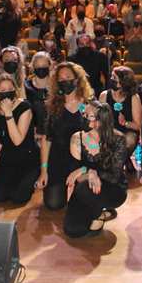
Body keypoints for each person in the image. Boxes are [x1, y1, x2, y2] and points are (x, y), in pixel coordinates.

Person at [63, 101, 129, 238]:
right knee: (72, 230)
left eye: (88, 116)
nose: (83, 117)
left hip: (113, 188)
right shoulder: (77, 138)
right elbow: (75, 175)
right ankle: (100, 213)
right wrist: (88, 173)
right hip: (84, 189)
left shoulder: (118, 139)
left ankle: (99, 213)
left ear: (100, 121)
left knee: (84, 188)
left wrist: (90, 171)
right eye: (83, 114)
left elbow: (114, 176)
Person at [38, 62, 93, 211]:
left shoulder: (89, 104)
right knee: (53, 204)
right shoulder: (51, 106)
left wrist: (89, 168)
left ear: (77, 79)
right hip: (58, 159)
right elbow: (46, 140)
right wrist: (44, 171)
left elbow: (96, 139)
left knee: (83, 202)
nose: (65, 81)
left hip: (82, 160)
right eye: (61, 79)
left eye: (68, 77)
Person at [0, 74, 39, 205]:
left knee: (18, 198)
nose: (6, 93)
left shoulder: (24, 107)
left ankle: (33, 179)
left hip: (27, 156)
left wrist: (8, 114)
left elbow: (17, 140)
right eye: (2, 90)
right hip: (9, 156)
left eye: (10, 89)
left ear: (15, 89)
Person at [98, 65, 142, 159]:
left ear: (123, 82)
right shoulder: (104, 95)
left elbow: (137, 125)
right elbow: (99, 120)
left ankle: (121, 161)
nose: (111, 79)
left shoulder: (134, 98)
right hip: (109, 130)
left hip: (127, 131)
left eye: (114, 77)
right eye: (111, 76)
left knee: (128, 141)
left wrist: (125, 123)